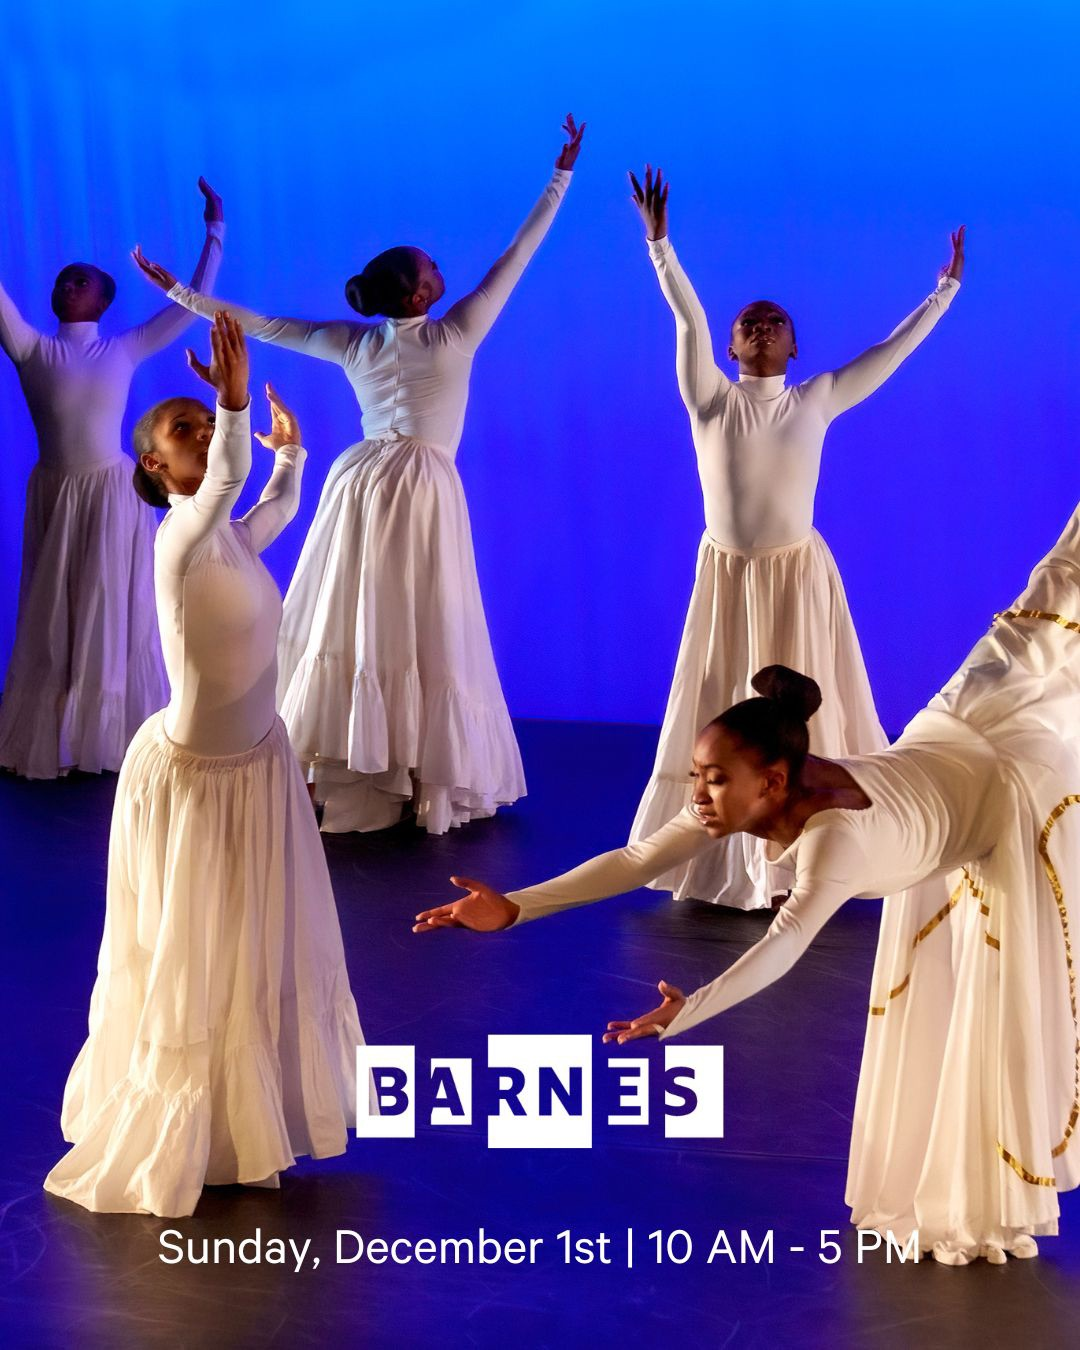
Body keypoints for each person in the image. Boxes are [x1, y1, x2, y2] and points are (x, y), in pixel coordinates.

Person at [412, 496, 1080, 1263]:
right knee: (1060, 580)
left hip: (1009, 789)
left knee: (1064, 587)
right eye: (697, 775)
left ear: (772, 781)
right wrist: (516, 907)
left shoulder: (835, 840)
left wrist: (686, 1012)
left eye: (715, 779)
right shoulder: (751, 792)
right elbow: (638, 859)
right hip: (956, 720)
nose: (698, 795)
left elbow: (783, 948)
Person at [132, 116, 586, 835]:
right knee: (419, 617)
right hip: (421, 484)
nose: (441, 268)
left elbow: (263, 323)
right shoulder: (456, 330)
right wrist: (560, 177)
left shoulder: (357, 342)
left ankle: (372, 763)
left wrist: (185, 296)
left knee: (370, 614)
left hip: (364, 479)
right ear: (417, 295)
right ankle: (408, 771)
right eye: (431, 266)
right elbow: (517, 254)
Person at [45, 315, 366, 1218]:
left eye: (201, 420)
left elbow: (268, 510)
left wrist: (289, 454)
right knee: (194, 961)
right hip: (196, 782)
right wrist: (231, 405)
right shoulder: (178, 538)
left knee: (245, 953)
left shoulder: (222, 537)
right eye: (180, 428)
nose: (200, 432)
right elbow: (227, 478)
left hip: (255, 765)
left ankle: (237, 1125)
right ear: (155, 465)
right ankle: (184, 1128)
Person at [625, 164, 964, 910]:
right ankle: (724, 859)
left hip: (795, 576)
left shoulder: (817, 398)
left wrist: (943, 291)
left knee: (802, 710)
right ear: (730, 349)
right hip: (728, 578)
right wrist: (660, 246)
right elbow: (687, 321)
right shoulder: (709, 400)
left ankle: (805, 860)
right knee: (724, 702)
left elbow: (891, 351)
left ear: (795, 349)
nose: (760, 326)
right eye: (748, 322)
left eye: (775, 321)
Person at [0, 179, 225, 778]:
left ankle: (107, 734)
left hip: (109, 494)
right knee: (53, 612)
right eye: (61, 280)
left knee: (108, 605)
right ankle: (56, 733)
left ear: (102, 301)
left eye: (80, 281)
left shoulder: (122, 349)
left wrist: (215, 231)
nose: (66, 286)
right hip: (55, 491)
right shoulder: (30, 349)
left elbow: (193, 303)